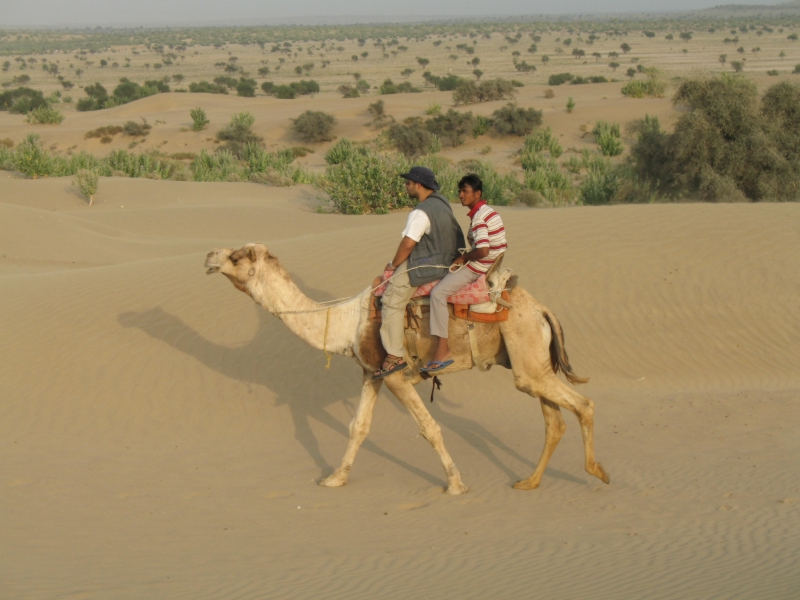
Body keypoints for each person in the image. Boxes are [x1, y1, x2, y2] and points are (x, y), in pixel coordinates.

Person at [373, 166, 465, 379]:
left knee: (391, 300)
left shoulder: (420, 212)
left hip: (430, 263)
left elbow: (407, 244)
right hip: (447, 261)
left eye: (409, 183)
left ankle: (395, 355)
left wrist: (392, 265)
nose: (406, 186)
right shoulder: (442, 204)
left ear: (419, 185)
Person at [421, 174, 507, 372]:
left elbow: (483, 250)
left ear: (478, 193)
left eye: (465, 191)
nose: (461, 195)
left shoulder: (478, 218)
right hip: (488, 263)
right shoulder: (488, 212)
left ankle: (443, 349)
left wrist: (463, 258)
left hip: (480, 266)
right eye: (460, 191)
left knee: (438, 293)